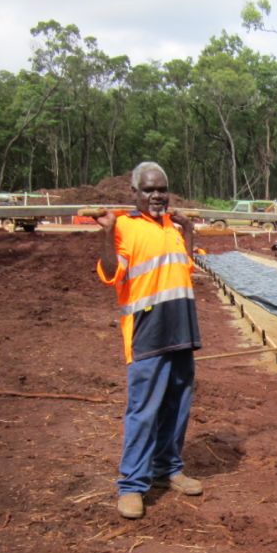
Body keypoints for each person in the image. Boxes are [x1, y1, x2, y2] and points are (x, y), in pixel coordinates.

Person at [96, 162, 204, 519]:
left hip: (182, 330)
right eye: (149, 190)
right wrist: (106, 234)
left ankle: (167, 468)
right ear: (134, 193)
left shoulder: (171, 226)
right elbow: (111, 274)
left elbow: (184, 267)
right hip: (148, 333)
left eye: (162, 189)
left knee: (177, 407)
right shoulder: (124, 227)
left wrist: (188, 232)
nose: (157, 195)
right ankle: (131, 485)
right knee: (143, 411)